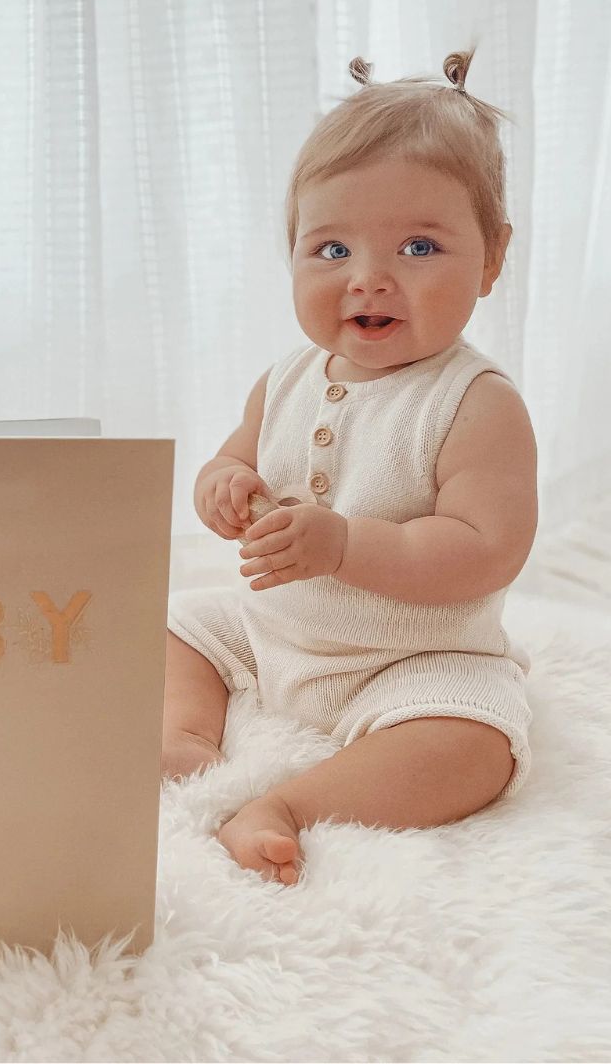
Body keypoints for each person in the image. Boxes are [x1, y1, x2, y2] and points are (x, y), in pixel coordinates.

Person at [161, 47, 538, 888]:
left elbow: (486, 549)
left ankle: (290, 805)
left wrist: (342, 546)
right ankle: (186, 742)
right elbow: (236, 455)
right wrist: (222, 485)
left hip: (412, 661)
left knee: (478, 743)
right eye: (331, 251)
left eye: (417, 246)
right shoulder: (289, 375)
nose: (368, 279)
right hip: (279, 636)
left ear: (491, 257)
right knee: (179, 623)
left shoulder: (474, 401)